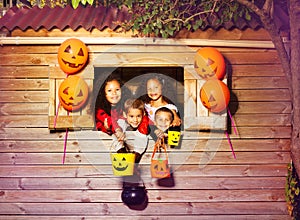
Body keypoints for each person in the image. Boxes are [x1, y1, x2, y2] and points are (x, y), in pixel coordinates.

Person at [94, 74, 131, 142]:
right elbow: (109, 120)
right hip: (107, 140)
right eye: (109, 91)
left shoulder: (124, 106)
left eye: (117, 89)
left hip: (125, 138)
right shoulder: (100, 110)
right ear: (103, 93)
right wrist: (117, 130)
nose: (114, 93)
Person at [117, 98, 150, 163]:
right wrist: (119, 133)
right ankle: (121, 151)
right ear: (125, 115)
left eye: (138, 116)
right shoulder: (121, 121)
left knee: (143, 134)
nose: (135, 120)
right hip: (123, 148)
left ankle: (134, 158)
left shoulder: (145, 121)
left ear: (143, 114)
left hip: (137, 151)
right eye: (131, 116)